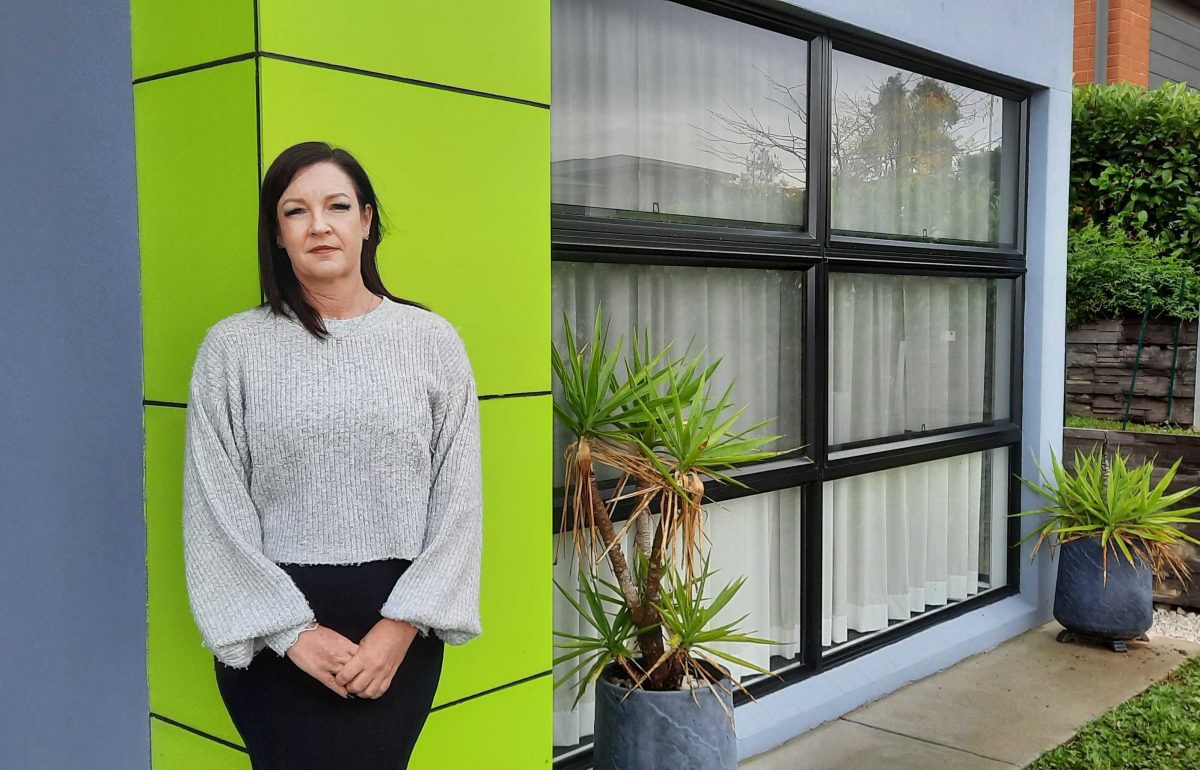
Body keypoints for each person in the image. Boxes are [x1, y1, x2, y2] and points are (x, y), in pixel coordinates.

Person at [182, 141, 483, 770]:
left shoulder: (431, 343)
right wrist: (294, 635)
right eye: (296, 211)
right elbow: (215, 513)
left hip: (396, 631)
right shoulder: (231, 351)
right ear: (277, 233)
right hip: (275, 635)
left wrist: (399, 629)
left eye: (337, 205)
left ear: (366, 221)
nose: (319, 224)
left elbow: (458, 505)